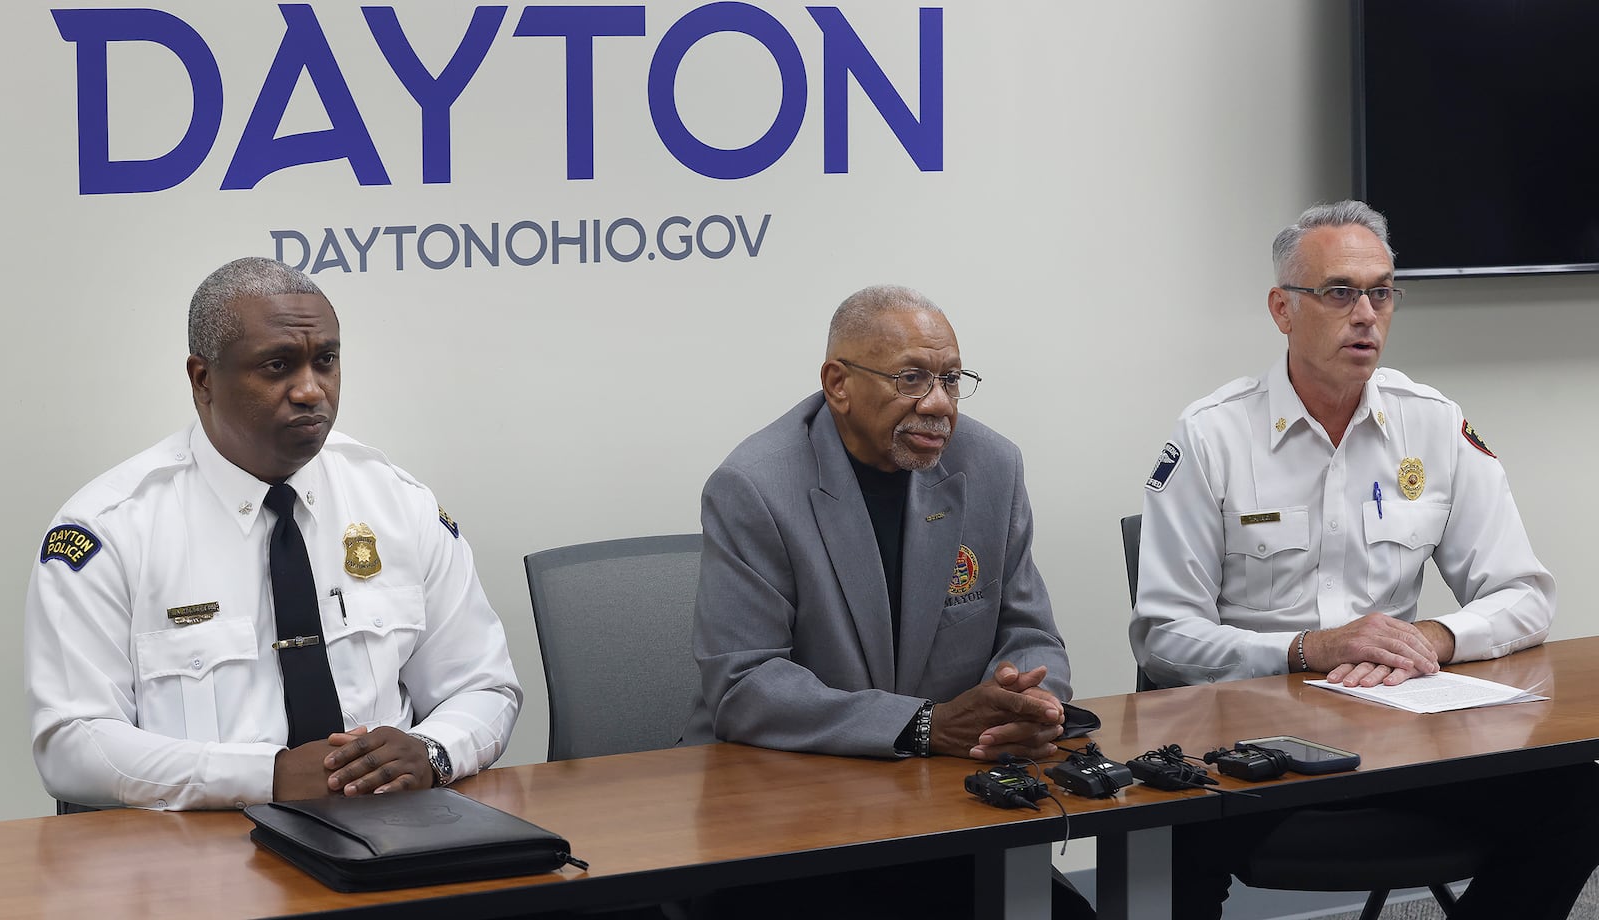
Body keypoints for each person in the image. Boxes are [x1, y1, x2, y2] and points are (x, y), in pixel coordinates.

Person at [1133, 200, 1599, 919]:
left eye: (1381, 292)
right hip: (1253, 742)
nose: (1366, 314)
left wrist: (1433, 639)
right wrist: (1308, 648)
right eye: (1340, 292)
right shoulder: (1211, 438)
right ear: (1282, 309)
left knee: (1578, 796)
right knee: (1161, 841)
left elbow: (1525, 592)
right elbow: (1165, 639)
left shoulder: (1434, 423)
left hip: (1401, 730)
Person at [26, 257, 521, 811]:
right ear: (202, 379)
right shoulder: (110, 528)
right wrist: (266, 776)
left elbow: (484, 685)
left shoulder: (399, 502)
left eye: (325, 361)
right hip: (196, 856)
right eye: (278, 365)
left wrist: (432, 751)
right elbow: (71, 743)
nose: (310, 390)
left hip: (391, 834)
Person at [681, 284, 1096, 918]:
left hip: (952, 801)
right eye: (911, 379)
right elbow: (745, 684)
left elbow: (1030, 630)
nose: (938, 405)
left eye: (952, 381)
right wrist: (924, 724)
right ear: (838, 383)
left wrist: (1025, 698)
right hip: (793, 816)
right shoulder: (755, 486)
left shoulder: (992, 466)